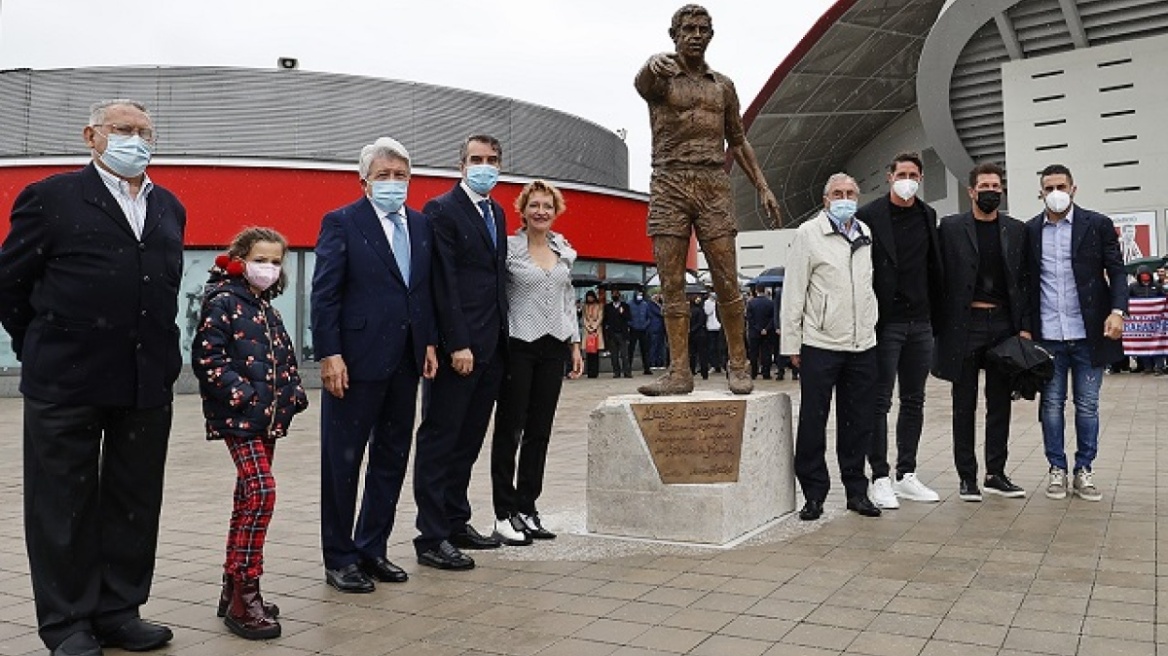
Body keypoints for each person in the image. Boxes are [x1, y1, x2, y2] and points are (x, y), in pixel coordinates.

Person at [0, 99, 184, 656]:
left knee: (134, 500)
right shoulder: (51, 198)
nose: (137, 140)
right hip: (66, 381)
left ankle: (119, 611)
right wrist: (44, 343)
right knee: (64, 506)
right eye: (124, 129)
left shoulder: (169, 206)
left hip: (144, 382)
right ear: (92, 136)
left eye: (146, 132)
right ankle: (67, 623)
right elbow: (12, 285)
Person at [311, 137, 438, 591]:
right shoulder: (342, 222)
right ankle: (339, 556)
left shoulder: (421, 226)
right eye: (383, 175)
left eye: (400, 175)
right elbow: (325, 293)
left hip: (405, 362)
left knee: (391, 459)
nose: (392, 183)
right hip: (354, 363)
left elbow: (419, 291)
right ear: (364, 181)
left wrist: (427, 342)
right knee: (343, 463)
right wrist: (329, 353)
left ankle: (372, 548)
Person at [634, 4, 780, 396]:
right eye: (688, 28)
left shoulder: (723, 85)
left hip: (713, 182)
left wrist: (762, 185)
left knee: (727, 279)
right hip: (669, 181)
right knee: (671, 282)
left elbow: (738, 138)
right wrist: (651, 64)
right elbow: (642, 84)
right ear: (675, 35)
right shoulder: (661, 77)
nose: (696, 34)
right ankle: (679, 372)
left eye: (703, 28)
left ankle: (738, 364)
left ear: (710, 35)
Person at [192, 227, 308, 639]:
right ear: (240, 259)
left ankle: (232, 589)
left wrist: (293, 393)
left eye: (277, 262)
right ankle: (246, 591)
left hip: (268, 419)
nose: (269, 268)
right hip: (240, 418)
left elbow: (284, 358)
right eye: (261, 259)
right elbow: (209, 361)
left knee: (247, 497)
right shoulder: (223, 303)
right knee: (261, 492)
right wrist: (245, 396)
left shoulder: (267, 309)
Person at [413, 134, 510, 570]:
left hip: (493, 347)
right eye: (476, 160)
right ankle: (431, 536)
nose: (483, 166)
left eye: (491, 160)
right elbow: (444, 281)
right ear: (461, 165)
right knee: (441, 440)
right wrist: (458, 342)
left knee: (468, 442)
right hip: (462, 348)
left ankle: (455, 520)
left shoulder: (498, 212)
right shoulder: (442, 210)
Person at [780, 173, 881, 520]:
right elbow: (794, 291)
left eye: (850, 193)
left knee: (858, 422)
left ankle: (856, 491)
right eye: (837, 193)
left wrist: (870, 328)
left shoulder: (865, 233)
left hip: (861, 345)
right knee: (813, 421)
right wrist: (792, 343)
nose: (844, 198)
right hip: (820, 343)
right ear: (825, 200)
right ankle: (814, 494)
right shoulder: (808, 234)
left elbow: (869, 287)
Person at [490, 180, 584, 546]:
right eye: (535, 205)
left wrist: (574, 344)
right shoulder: (510, 249)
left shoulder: (563, 250)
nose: (541, 211)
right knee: (509, 429)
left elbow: (567, 299)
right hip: (518, 345)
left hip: (553, 347)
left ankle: (528, 506)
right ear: (523, 211)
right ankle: (504, 512)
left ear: (555, 211)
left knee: (540, 431)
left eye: (547, 205)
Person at [1026, 163, 1127, 502]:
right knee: (1051, 405)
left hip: (1089, 333)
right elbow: (1025, 284)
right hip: (1049, 336)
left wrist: (1117, 311)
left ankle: (1084, 469)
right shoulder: (1031, 231)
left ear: (1073, 189)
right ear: (1040, 192)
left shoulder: (1096, 224)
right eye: (1048, 187)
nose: (1055, 193)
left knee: (1087, 405)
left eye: (1061, 186)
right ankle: (1057, 469)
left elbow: (1117, 270)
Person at [932, 163, 1030, 502]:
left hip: (1004, 325)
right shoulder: (950, 228)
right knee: (964, 404)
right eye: (985, 185)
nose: (991, 191)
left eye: (996, 186)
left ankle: (996, 473)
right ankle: (966, 477)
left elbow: (1025, 281)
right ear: (971, 191)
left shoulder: (1016, 230)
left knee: (1000, 402)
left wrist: (1026, 328)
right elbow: (938, 276)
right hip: (964, 325)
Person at [858, 151, 945, 510]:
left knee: (914, 400)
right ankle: (879, 475)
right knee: (879, 401)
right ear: (889, 176)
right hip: (885, 323)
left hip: (920, 322)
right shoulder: (869, 216)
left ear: (920, 179)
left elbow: (933, 267)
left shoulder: (928, 215)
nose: (907, 179)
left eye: (913, 174)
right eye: (901, 173)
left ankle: (906, 474)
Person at [1127, 265, 1164, 375]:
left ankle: (1159, 367)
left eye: (1146, 275)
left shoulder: (1157, 286)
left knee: (1158, 344)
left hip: (1156, 322)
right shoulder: (1133, 287)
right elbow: (1128, 299)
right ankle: (1147, 367)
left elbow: (1163, 299)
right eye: (1142, 275)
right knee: (1143, 344)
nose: (1145, 277)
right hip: (1140, 323)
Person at [746, 285, 775, 379]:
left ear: (756, 291)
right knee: (766, 352)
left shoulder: (751, 303)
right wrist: (766, 329)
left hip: (754, 332)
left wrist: (758, 328)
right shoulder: (770, 303)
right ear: (764, 290)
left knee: (754, 353)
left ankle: (754, 373)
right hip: (768, 332)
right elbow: (773, 318)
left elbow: (750, 319)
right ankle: (766, 373)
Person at [603, 290, 633, 378]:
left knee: (624, 355)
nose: (615, 296)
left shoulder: (625, 306)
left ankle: (627, 372)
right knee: (614, 355)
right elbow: (605, 320)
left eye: (616, 294)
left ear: (619, 296)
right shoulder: (608, 307)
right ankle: (616, 372)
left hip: (622, 333)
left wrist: (622, 312)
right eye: (613, 294)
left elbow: (629, 318)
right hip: (612, 333)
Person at [628, 290, 654, 375]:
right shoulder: (630, 304)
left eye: (641, 295)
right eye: (638, 295)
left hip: (643, 330)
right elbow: (627, 317)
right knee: (631, 349)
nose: (640, 296)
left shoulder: (645, 304)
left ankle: (647, 368)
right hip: (633, 329)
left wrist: (645, 325)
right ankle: (628, 368)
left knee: (645, 350)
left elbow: (649, 317)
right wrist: (632, 324)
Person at [581, 290, 605, 378]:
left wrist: (594, 327)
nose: (589, 299)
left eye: (591, 297)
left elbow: (600, 317)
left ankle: (595, 372)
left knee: (595, 353)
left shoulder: (599, 306)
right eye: (588, 297)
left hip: (596, 330)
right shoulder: (585, 306)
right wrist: (588, 327)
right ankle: (589, 372)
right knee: (589, 352)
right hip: (587, 331)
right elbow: (584, 318)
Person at [688, 294, 710, 379]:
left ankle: (692, 370)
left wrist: (690, 330)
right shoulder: (701, 310)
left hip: (692, 335)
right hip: (701, 334)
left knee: (692, 354)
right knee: (702, 354)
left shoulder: (690, 311)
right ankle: (704, 373)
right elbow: (701, 322)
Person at [704, 292, 726, 373]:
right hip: (711, 327)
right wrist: (713, 304)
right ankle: (714, 364)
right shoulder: (707, 302)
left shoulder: (721, 302)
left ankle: (721, 365)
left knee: (720, 347)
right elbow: (707, 312)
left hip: (719, 327)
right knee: (712, 347)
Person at [647, 293, 667, 368]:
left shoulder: (660, 304)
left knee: (660, 346)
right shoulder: (651, 305)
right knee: (654, 345)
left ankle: (660, 362)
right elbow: (660, 313)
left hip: (661, 328)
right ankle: (653, 362)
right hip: (654, 327)